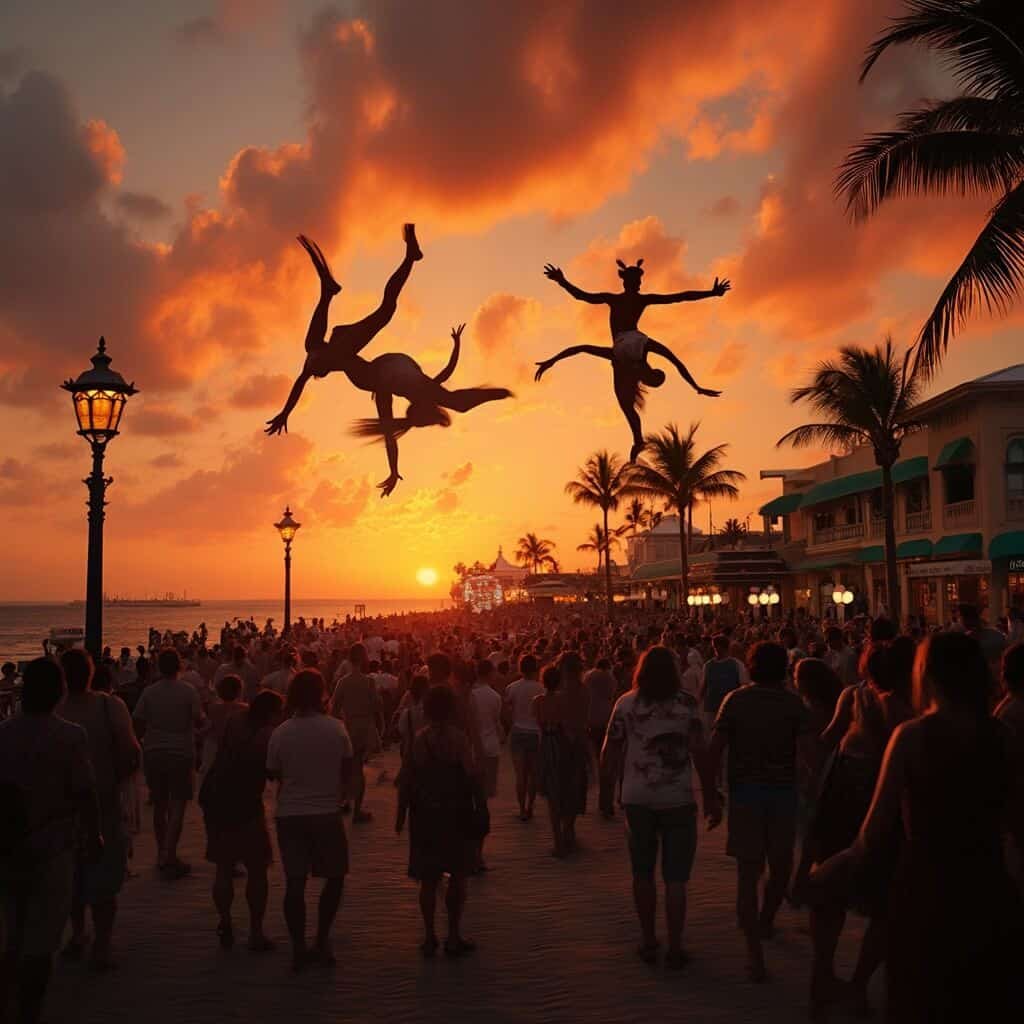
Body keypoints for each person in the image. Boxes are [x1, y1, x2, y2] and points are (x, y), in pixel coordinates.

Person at [816, 632, 1024, 1021]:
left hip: (925, 890)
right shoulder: (1001, 735)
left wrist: (827, 869)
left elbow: (870, 835)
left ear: (926, 676)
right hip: (988, 889)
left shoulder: (912, 737)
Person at [266, 229, 512, 495]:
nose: (318, 373)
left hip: (392, 365)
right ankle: (339, 287)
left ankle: (332, 290)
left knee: (364, 324)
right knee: (379, 316)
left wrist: (286, 411)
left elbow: (445, 393)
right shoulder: (393, 389)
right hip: (389, 365)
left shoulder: (392, 389)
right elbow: (444, 391)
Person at [804, 639, 916, 1017]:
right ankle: (856, 984)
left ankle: (823, 976)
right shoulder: (904, 710)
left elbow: (827, 739)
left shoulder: (854, 695)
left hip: (838, 799)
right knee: (885, 903)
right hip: (876, 804)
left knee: (830, 893)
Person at [601, 646, 722, 967]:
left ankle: (648, 939)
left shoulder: (626, 703)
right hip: (678, 799)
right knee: (676, 878)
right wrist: (711, 795)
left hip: (637, 798)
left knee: (642, 873)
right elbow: (702, 753)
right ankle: (676, 945)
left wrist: (608, 791)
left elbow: (608, 753)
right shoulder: (687, 705)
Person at [536, 258, 727, 459]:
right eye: (636, 282)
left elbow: (679, 299)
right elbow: (679, 300)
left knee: (627, 407)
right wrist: (696, 387)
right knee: (627, 407)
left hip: (624, 351)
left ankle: (638, 440)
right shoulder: (641, 340)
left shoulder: (631, 341)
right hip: (627, 347)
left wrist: (553, 360)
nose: (638, 286)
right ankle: (637, 440)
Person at [0, 658, 101, 1024]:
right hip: (53, 846)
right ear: (59, 691)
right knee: (41, 941)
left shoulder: (4, 733)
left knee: (11, 931)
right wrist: (96, 834)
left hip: (9, 848)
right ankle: (29, 1011)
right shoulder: (70, 736)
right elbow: (84, 792)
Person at [708, 641, 813, 983]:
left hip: (746, 796)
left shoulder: (735, 701)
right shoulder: (794, 704)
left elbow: (714, 750)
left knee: (747, 875)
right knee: (781, 867)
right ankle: (765, 920)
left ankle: (755, 953)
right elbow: (809, 755)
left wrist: (711, 794)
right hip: (782, 794)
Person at [56, 650, 140, 971]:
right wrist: (113, 781)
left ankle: (78, 935)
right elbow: (132, 753)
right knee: (103, 881)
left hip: (62, 810)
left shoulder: (53, 710)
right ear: (91, 674)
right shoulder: (110, 706)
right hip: (103, 803)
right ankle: (101, 945)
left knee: (72, 878)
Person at [267, 670, 353, 971]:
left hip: (290, 813)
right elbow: (347, 770)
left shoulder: (281, 732)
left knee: (295, 882)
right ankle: (322, 938)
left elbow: (274, 771)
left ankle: (298, 947)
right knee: (335, 877)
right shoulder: (337, 729)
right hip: (326, 811)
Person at [396, 684, 481, 958]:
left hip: (425, 814)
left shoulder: (420, 740)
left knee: (428, 879)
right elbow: (471, 775)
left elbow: (407, 779)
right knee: (457, 875)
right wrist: (481, 806)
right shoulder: (459, 739)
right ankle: (453, 935)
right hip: (456, 812)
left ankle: (430, 935)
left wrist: (400, 814)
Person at [202, 689, 283, 953]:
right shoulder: (267, 736)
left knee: (223, 868)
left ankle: (225, 921)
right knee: (257, 869)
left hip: (216, 797)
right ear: (270, 713)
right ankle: (256, 933)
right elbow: (273, 772)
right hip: (247, 805)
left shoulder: (234, 720)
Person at [132, 647, 204, 879]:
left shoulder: (149, 692)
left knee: (160, 804)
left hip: (154, 751)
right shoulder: (188, 691)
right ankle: (169, 854)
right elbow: (198, 719)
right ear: (180, 666)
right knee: (179, 804)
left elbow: (138, 721)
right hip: (181, 752)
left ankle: (162, 853)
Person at [533, 656, 589, 858]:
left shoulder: (543, 700)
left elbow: (542, 725)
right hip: (572, 744)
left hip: (551, 746)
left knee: (554, 794)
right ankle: (568, 830)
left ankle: (560, 837)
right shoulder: (581, 691)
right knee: (573, 789)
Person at [329, 643, 383, 823]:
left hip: (348, 725)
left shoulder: (343, 682)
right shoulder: (369, 682)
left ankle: (344, 801)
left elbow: (334, 709)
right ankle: (357, 810)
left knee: (345, 767)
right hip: (364, 726)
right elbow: (377, 707)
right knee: (358, 768)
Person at [469, 659, 502, 870]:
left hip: (470, 751)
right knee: (482, 803)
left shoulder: (468, 696)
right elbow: (496, 722)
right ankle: (477, 855)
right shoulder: (495, 697)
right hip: (489, 750)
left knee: (468, 802)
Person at [503, 655, 544, 821]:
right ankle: (530, 806)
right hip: (535, 734)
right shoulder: (541, 688)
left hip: (518, 732)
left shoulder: (512, 687)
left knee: (520, 775)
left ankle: (521, 809)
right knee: (533, 774)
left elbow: (506, 710)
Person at [584, 657, 618, 817]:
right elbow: (612, 695)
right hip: (606, 719)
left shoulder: (588, 676)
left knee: (595, 761)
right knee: (608, 763)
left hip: (590, 719)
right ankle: (606, 801)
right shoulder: (609, 677)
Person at [698, 633, 748, 734]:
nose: (713, 649)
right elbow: (703, 687)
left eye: (715, 646)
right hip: (711, 707)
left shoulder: (736, 664)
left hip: (731, 708)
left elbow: (744, 686)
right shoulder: (708, 665)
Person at [199, 673, 247, 777]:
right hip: (233, 748)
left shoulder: (212, 708)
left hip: (212, 746)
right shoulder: (244, 709)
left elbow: (208, 727)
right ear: (239, 691)